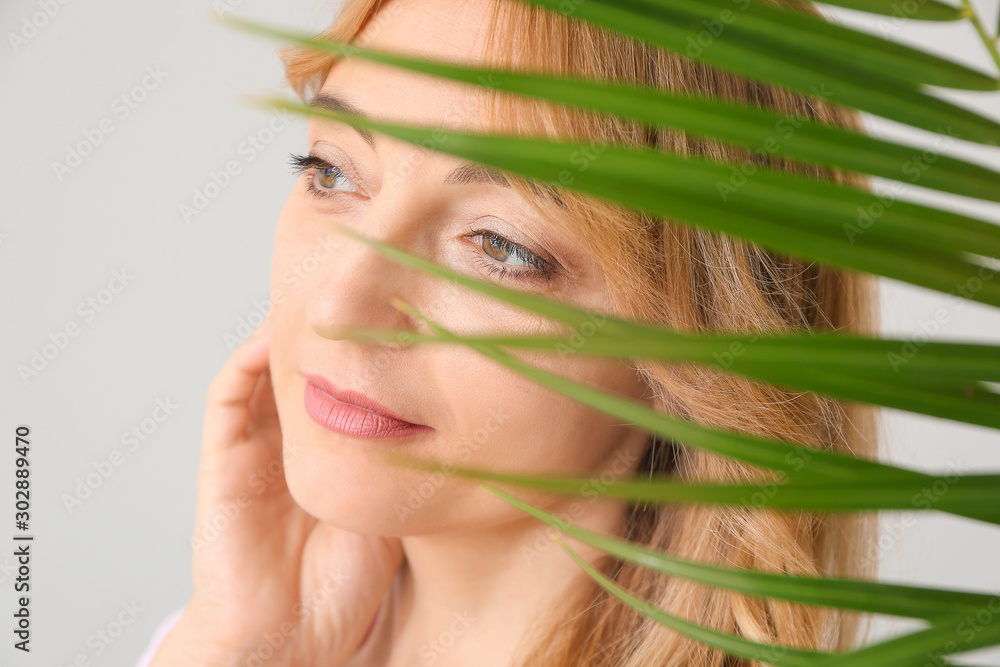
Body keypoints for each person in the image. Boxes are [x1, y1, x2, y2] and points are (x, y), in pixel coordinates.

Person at [145, 0, 880, 664]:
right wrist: (234, 646)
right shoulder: (229, 637)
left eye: (500, 246)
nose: (337, 307)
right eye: (331, 172)